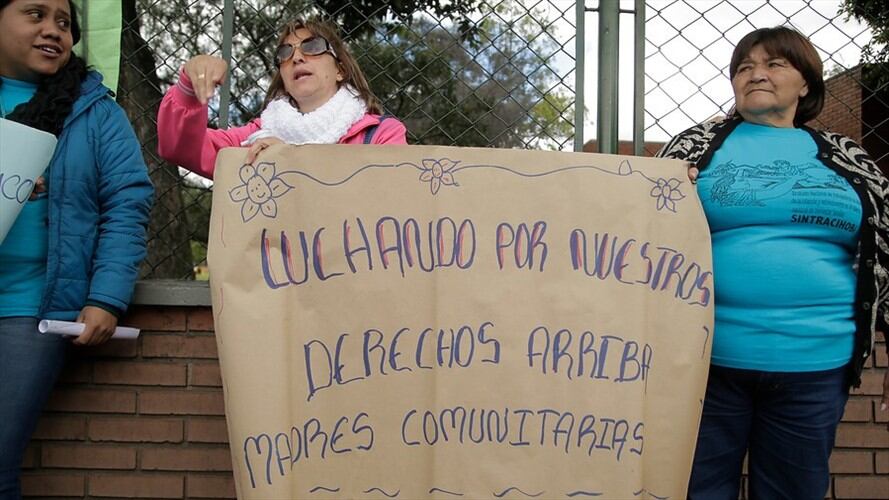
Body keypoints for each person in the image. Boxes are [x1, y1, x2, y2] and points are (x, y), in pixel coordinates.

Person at [657, 26, 888, 499]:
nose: (756, 74)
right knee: (693, 489)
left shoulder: (850, 160)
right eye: (744, 67)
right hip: (704, 364)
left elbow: (884, 253)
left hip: (815, 365)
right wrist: (668, 190)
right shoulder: (692, 150)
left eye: (774, 64)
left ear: (805, 84)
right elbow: (639, 234)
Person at [0, 0, 153, 498]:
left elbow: (127, 203)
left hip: (31, 310)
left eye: (64, 23)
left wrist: (105, 297)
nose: (54, 31)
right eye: (36, 15)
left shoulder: (95, 111)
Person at [157, 17, 407, 179]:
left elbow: (387, 201)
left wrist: (289, 161)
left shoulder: (382, 135)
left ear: (340, 69)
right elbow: (180, 148)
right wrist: (189, 85)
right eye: (285, 52)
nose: (297, 58)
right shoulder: (253, 140)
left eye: (312, 47)